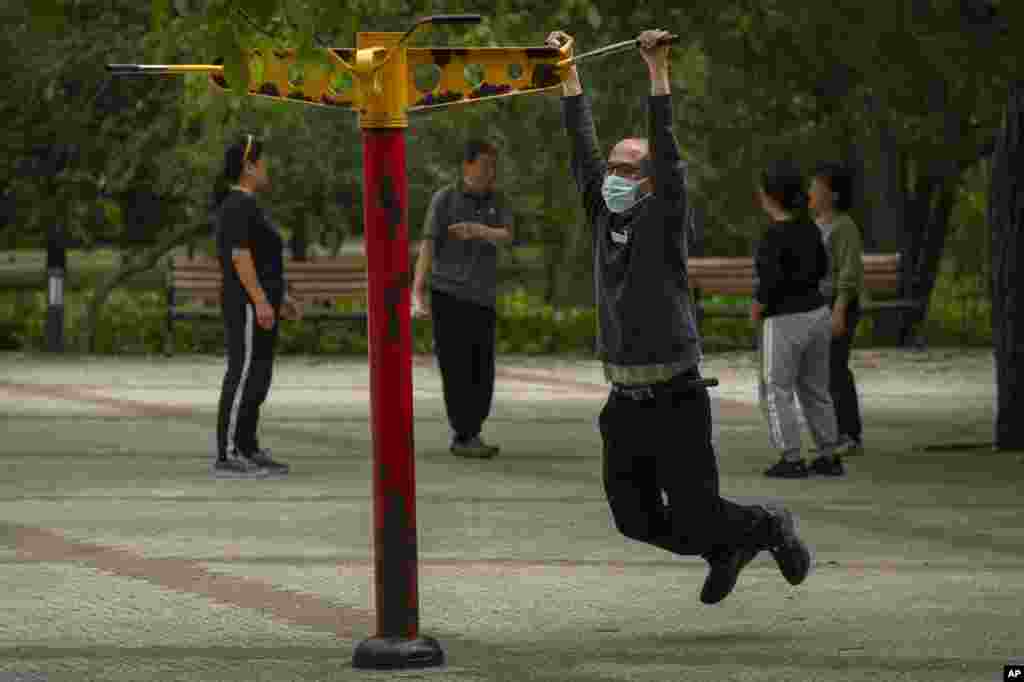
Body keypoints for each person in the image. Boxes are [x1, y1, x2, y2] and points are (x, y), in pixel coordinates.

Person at [548, 27, 811, 605]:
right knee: (635, 520)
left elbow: (667, 153)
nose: (614, 176)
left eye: (627, 169)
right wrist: (567, 72)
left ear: (649, 183)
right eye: (612, 167)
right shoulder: (603, 219)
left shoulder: (664, 220)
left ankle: (763, 526)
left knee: (695, 510)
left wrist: (658, 74)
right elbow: (580, 149)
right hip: (624, 402)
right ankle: (729, 545)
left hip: (675, 396)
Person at [411, 139, 514, 458]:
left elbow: (507, 235)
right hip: (448, 294)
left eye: (492, 166)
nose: (489, 172)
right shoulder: (444, 199)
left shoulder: (497, 200)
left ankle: (473, 429)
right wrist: (417, 290)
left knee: (482, 369)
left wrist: (479, 230)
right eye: (484, 165)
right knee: (456, 368)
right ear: (467, 166)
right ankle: (464, 434)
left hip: (482, 297)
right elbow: (428, 245)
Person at [211, 133, 301, 477]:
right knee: (244, 372)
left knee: (259, 376)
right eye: (264, 163)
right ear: (249, 166)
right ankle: (228, 453)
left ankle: (247, 446)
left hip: (262, 302)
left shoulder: (248, 205)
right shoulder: (237, 205)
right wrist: (262, 301)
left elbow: (262, 260)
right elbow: (239, 257)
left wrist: (281, 298)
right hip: (247, 305)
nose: (268, 169)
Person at [752, 160, 846, 478]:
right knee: (816, 388)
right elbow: (821, 269)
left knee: (775, 389)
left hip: (782, 320)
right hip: (817, 313)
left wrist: (759, 304)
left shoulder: (771, 237)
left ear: (769, 197)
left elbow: (769, 282)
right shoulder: (810, 229)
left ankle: (791, 456)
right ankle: (828, 453)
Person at [809, 163, 865, 456]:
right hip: (819, 304)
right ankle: (830, 432)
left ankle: (849, 433)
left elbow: (849, 273)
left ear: (833, 194)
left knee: (835, 367)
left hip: (839, 304)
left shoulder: (844, 227)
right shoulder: (815, 225)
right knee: (820, 370)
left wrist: (840, 310)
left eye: (817, 188)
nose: (811, 193)